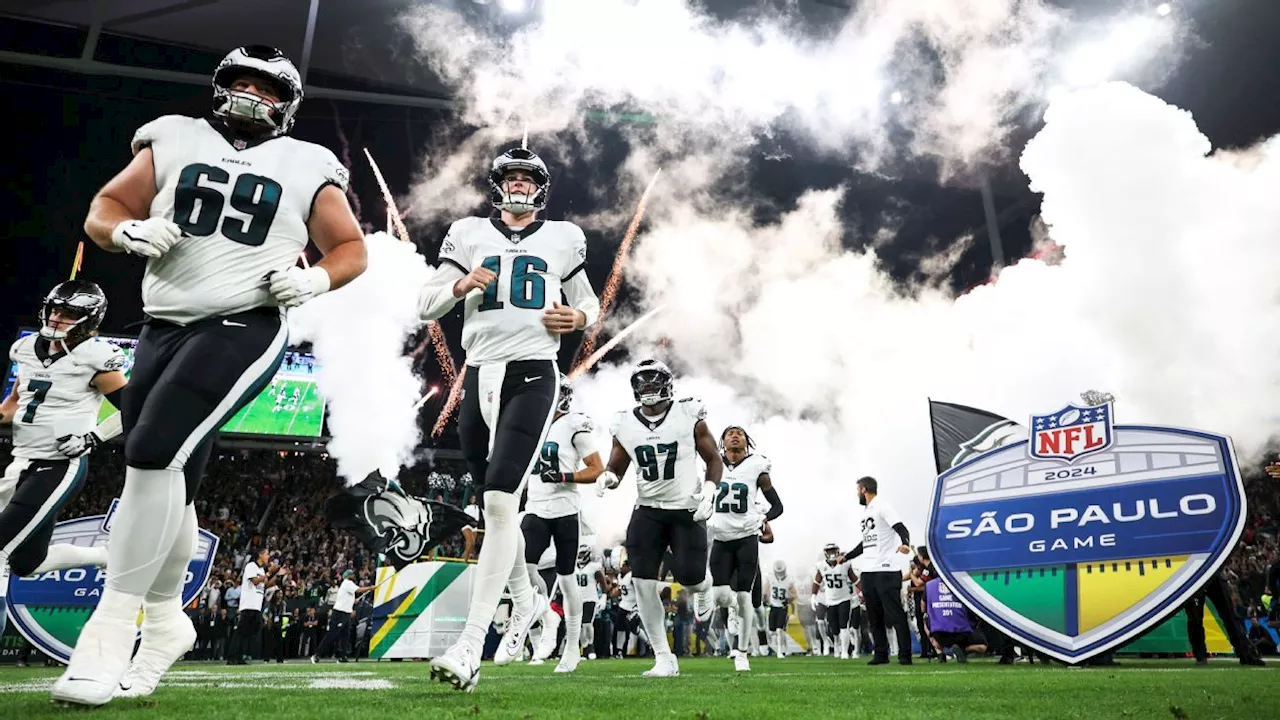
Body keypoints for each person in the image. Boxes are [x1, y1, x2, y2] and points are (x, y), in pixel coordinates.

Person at [53, 44, 367, 706]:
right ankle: (168, 620)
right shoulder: (173, 135)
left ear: (289, 103)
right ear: (218, 87)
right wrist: (125, 235)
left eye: (267, 87)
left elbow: (350, 249)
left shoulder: (309, 163)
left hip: (245, 321)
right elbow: (105, 208)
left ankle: (110, 631)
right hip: (162, 323)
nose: (252, 95)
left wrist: (313, 278)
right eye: (241, 82)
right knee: (179, 477)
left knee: (151, 450)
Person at [415, 146, 600, 692]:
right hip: (478, 374)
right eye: (510, 178)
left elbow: (589, 302)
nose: (519, 186)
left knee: (500, 501)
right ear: (497, 185)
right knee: (491, 506)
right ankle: (527, 598)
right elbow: (425, 304)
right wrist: (459, 286)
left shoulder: (565, 237)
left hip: (533, 371)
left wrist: (581, 315)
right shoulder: (467, 231)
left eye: (527, 179)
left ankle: (471, 644)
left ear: (540, 189)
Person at [0, 282, 128, 637]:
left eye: (68, 313)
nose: (57, 317)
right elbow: (14, 404)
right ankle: (109, 555)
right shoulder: (24, 348)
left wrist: (93, 437)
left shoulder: (97, 356)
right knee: (27, 563)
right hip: (20, 462)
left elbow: (135, 410)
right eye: (55, 309)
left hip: (57, 466)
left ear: (88, 320)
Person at [597, 359, 723, 677]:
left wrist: (709, 491)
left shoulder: (688, 413)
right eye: (643, 383)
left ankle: (704, 587)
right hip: (648, 509)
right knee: (642, 583)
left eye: (654, 382)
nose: (648, 388)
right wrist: (609, 477)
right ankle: (664, 658)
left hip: (685, 509)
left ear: (667, 384)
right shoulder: (625, 422)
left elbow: (713, 458)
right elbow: (618, 463)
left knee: (691, 577)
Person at [517, 375, 604, 673]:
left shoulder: (573, 423)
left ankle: (572, 649)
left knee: (567, 580)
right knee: (523, 566)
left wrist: (566, 478)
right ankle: (545, 616)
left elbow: (596, 469)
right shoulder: (531, 426)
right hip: (535, 509)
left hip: (566, 510)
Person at [707, 425, 782, 672]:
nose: (735, 435)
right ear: (723, 442)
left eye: (739, 433)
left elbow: (777, 506)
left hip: (746, 539)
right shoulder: (712, 463)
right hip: (720, 537)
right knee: (721, 597)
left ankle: (741, 653)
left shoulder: (757, 466)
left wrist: (762, 521)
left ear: (746, 441)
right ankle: (704, 595)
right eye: (730, 433)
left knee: (744, 597)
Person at [841, 476, 913, 665]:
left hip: (887, 569)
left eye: (858, 489)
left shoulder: (882, 506)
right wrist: (846, 557)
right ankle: (881, 653)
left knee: (895, 614)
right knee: (874, 616)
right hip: (869, 570)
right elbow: (866, 543)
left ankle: (905, 655)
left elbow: (901, 527)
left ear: (864, 489)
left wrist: (906, 544)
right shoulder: (866, 512)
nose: (857, 493)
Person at [312, 570, 374, 663]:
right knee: (332, 634)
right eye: (352, 574)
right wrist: (371, 588)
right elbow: (359, 590)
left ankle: (343, 656)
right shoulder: (347, 583)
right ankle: (317, 654)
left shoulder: (348, 585)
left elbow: (348, 599)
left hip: (346, 613)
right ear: (348, 576)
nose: (354, 575)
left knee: (345, 636)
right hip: (340, 613)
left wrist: (353, 602)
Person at [813, 543, 858, 659]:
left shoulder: (845, 564)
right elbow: (817, 582)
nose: (832, 553)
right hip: (830, 600)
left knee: (844, 625)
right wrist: (813, 596)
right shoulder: (821, 566)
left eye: (833, 550)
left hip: (844, 598)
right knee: (834, 628)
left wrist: (863, 592)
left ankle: (844, 651)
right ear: (825, 553)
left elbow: (854, 579)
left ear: (838, 551)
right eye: (829, 551)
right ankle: (837, 645)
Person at [573, 545, 608, 660]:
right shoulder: (574, 567)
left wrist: (604, 596)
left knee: (587, 624)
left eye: (582, 554)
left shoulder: (594, 567)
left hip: (590, 598)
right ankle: (584, 649)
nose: (580, 556)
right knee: (580, 626)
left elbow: (602, 582)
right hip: (577, 599)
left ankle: (591, 647)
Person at [764, 560, 796, 659]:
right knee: (772, 631)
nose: (779, 574)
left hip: (782, 607)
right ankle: (784, 648)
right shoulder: (770, 577)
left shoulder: (789, 580)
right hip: (773, 607)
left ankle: (780, 651)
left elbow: (794, 594)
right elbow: (765, 590)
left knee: (779, 630)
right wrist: (765, 599)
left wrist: (789, 599)